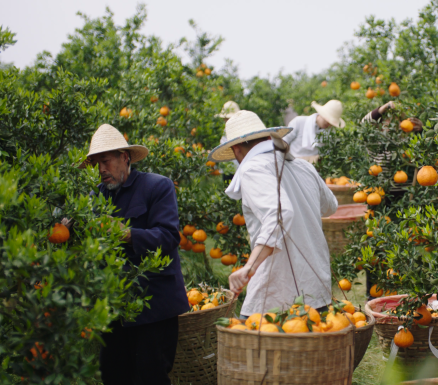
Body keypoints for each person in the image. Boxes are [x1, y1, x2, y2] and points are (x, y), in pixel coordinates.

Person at [77, 124, 188, 385]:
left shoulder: (156, 187)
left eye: (105, 161)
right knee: (113, 375)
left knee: (151, 376)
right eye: (96, 163)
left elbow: (170, 236)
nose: (101, 169)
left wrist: (129, 235)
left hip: (154, 306)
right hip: (115, 306)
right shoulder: (96, 197)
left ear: (124, 158)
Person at [207, 111, 338, 316]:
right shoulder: (303, 166)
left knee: (249, 343)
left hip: (276, 294)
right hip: (315, 288)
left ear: (236, 150)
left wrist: (250, 266)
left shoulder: (252, 168)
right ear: (268, 138)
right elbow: (331, 206)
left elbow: (280, 214)